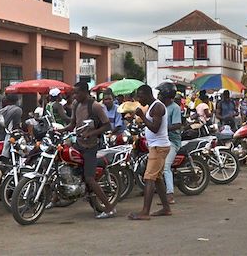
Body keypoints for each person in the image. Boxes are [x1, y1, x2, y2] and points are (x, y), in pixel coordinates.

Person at [65, 81, 117, 219]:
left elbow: (107, 126)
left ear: (85, 92)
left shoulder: (95, 106)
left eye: (77, 93)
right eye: (74, 93)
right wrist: (60, 129)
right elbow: (72, 124)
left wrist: (91, 133)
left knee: (89, 178)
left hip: (90, 147)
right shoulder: (76, 105)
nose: (74, 95)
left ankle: (110, 208)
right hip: (78, 143)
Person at [129, 84, 171, 220]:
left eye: (140, 97)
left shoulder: (157, 107)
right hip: (156, 146)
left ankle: (145, 212)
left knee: (149, 178)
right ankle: (166, 208)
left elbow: (155, 128)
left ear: (148, 95)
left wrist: (142, 116)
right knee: (157, 179)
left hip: (159, 147)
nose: (139, 99)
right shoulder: (152, 107)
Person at [158, 83, 183, 205]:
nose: (158, 95)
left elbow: (177, 125)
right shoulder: (160, 106)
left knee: (166, 167)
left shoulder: (175, 108)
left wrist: (164, 128)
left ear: (166, 95)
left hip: (173, 141)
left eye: (160, 93)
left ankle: (170, 194)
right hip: (162, 140)